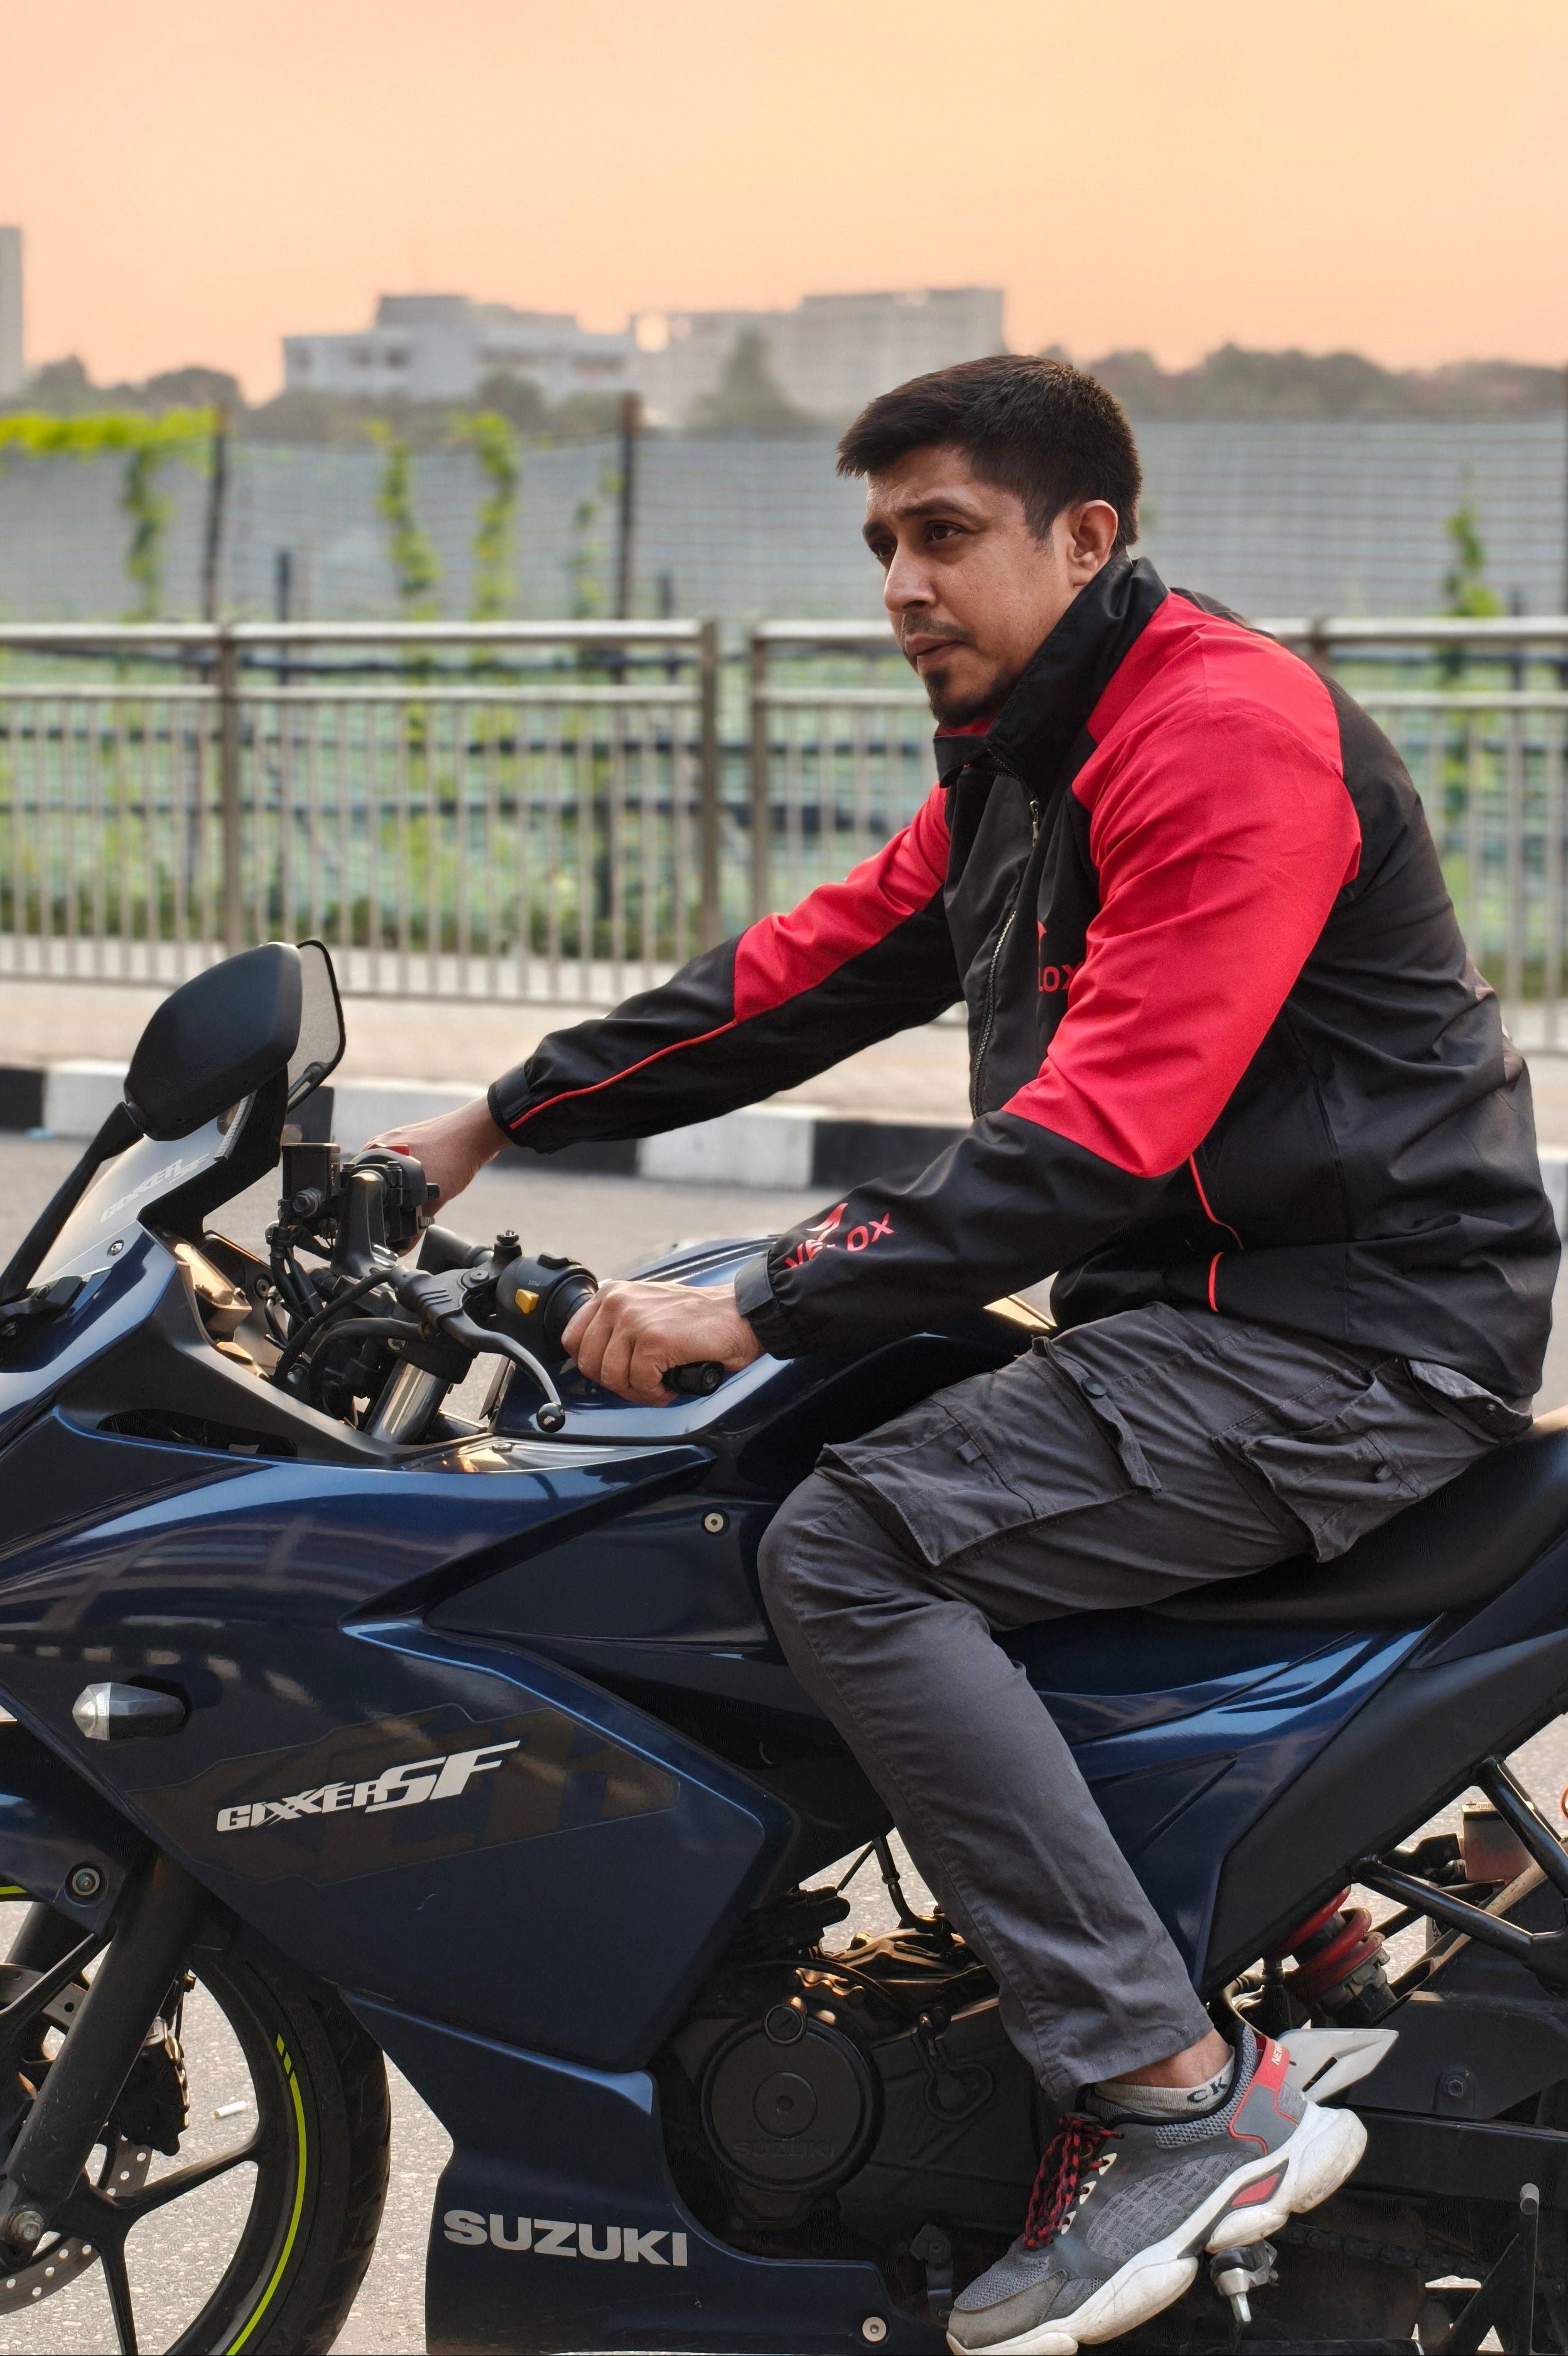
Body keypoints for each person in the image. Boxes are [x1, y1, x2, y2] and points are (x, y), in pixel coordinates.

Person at [372, 355, 1557, 2351]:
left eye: (941, 534)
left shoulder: (1216, 733)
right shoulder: (1026, 744)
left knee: (846, 1544)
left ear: (1080, 535)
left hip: (1342, 1341)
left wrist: (755, 1294)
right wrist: (492, 1114)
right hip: (1201, 1317)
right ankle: (1300, 1924)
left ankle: (1171, 2100)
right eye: (880, 544)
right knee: (802, 1447)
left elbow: (1104, 1122)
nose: (901, 583)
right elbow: (815, 961)